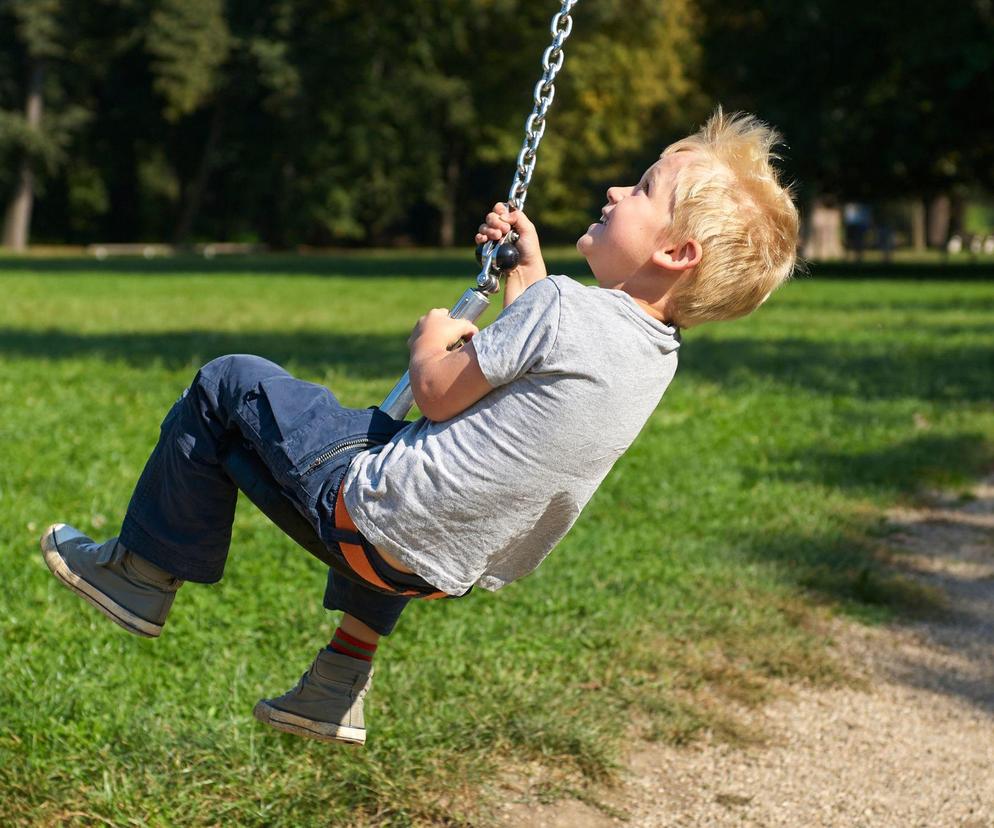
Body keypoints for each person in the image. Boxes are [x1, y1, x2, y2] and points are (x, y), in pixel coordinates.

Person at [40, 109, 799, 746]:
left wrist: (430, 341)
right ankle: (337, 684)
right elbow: (539, 361)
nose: (613, 189)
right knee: (419, 487)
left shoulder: (568, 307)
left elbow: (440, 395)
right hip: (444, 571)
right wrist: (522, 269)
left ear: (674, 251)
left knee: (229, 384)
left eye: (641, 188)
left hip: (369, 518)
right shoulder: (654, 354)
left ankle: (139, 575)